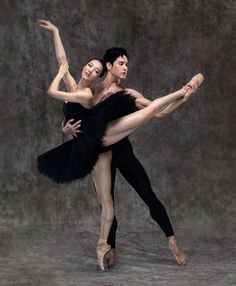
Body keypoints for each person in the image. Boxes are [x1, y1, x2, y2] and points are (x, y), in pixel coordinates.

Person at [37, 20, 204, 270]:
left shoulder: (130, 93)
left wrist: (183, 97)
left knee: (147, 194)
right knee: (106, 201)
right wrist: (65, 128)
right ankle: (109, 246)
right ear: (109, 66)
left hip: (121, 149)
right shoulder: (91, 92)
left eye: (127, 64)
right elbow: (76, 107)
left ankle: (172, 241)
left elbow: (157, 112)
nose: (126, 68)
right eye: (122, 64)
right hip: (99, 150)